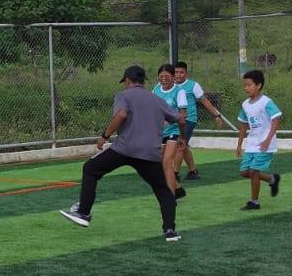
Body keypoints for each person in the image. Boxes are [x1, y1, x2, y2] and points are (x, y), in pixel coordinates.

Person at [59, 64, 181, 242]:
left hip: (124, 148)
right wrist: (182, 137)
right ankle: (170, 231)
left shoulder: (123, 95)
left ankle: (83, 212)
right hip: (149, 153)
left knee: (91, 169)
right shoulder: (157, 100)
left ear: (128, 80)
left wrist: (105, 136)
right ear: (143, 81)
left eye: (125, 82)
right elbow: (179, 119)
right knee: (163, 190)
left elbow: (122, 115)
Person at [235, 69, 283, 212]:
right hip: (252, 143)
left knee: (254, 171)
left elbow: (276, 119)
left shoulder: (266, 102)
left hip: (265, 144)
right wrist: (239, 144)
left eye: (249, 85)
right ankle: (271, 179)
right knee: (244, 172)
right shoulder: (245, 104)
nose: (246, 88)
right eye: (245, 85)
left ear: (259, 85)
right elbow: (244, 124)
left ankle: (254, 202)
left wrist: (268, 140)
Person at [173, 61, 228, 179]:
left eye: (181, 72)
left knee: (180, 145)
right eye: (176, 72)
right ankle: (193, 172)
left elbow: (204, 101)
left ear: (186, 74)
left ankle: (174, 174)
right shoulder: (171, 85)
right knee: (183, 146)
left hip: (188, 119)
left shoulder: (193, 85)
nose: (178, 75)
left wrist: (216, 115)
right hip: (174, 120)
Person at [152, 64, 188, 200]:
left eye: (166, 76)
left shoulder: (179, 91)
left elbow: (183, 114)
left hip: (174, 130)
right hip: (160, 132)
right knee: (160, 165)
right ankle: (178, 189)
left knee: (167, 162)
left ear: (173, 77)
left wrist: (169, 122)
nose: (163, 79)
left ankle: (170, 199)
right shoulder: (156, 90)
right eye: (160, 77)